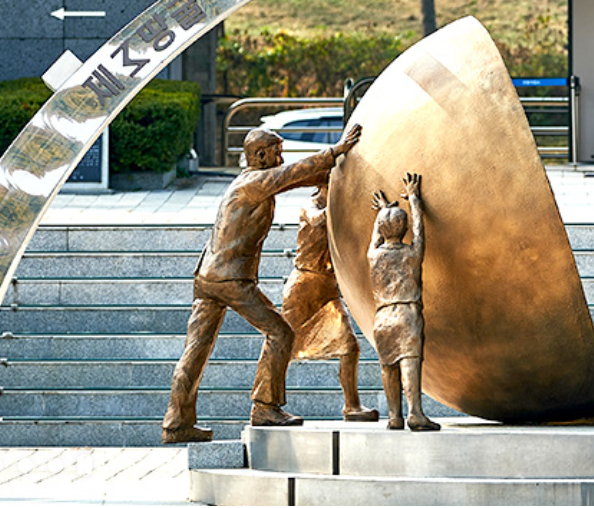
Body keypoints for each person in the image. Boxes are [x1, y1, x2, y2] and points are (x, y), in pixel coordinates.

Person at [162, 124, 362, 444]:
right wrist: (333, 152)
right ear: (260, 155)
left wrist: (327, 173)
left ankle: (176, 423)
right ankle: (265, 407)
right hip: (230, 279)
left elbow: (291, 178)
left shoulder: (248, 181)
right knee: (281, 333)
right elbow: (290, 174)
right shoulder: (254, 182)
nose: (280, 159)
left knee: (195, 350)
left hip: (208, 276)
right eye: (276, 153)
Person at [280, 178, 378, 422]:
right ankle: (265, 402)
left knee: (350, 347)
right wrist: (339, 205)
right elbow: (316, 219)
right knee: (281, 347)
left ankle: (351, 406)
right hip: (303, 287)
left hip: (328, 288)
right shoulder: (311, 205)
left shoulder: (340, 210)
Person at [369, 172, 439, 431]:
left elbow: (375, 237)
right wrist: (413, 199)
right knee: (409, 362)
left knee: (388, 366)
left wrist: (382, 213)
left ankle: (394, 416)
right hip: (407, 313)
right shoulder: (412, 253)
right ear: (404, 229)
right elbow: (420, 230)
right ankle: (415, 413)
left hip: (382, 316)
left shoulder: (373, 255)